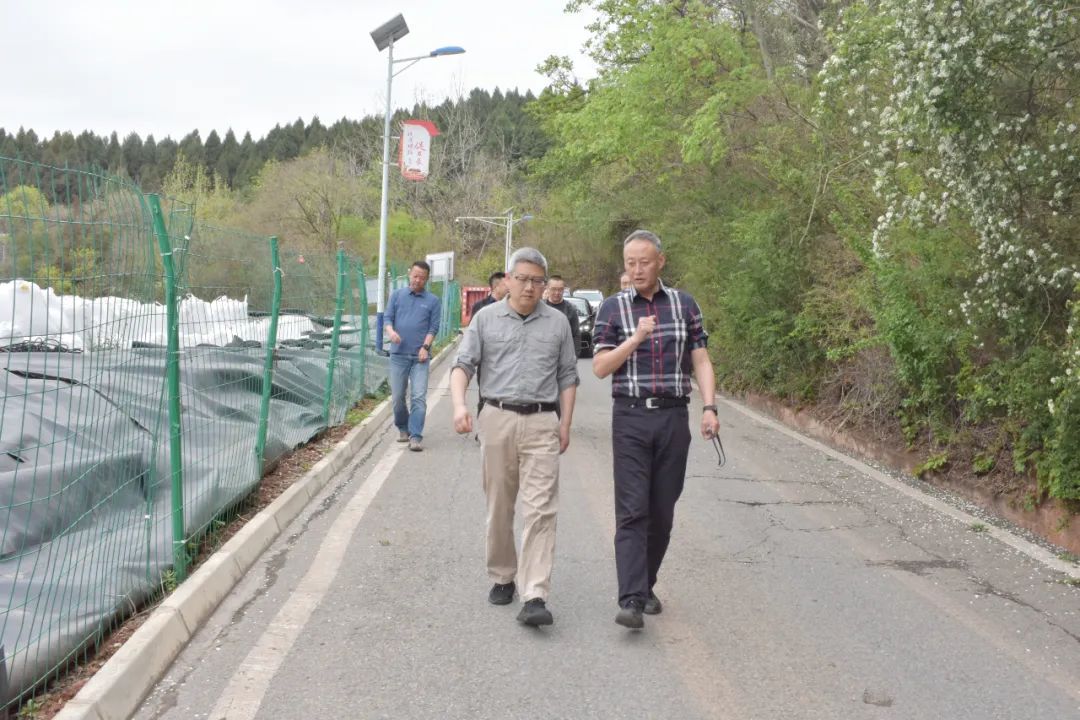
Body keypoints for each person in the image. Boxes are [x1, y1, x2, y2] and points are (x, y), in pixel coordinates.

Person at [591, 229, 720, 630]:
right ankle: (630, 598)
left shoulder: (684, 304)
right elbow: (600, 367)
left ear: (660, 261)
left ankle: (646, 584)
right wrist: (635, 338)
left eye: (644, 262)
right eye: (630, 263)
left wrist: (710, 407)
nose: (637, 270)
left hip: (673, 417)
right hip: (630, 417)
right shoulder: (612, 308)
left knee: (662, 511)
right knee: (633, 510)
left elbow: (700, 359)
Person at [451, 247, 579, 628]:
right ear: (507, 280)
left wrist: (565, 424)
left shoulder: (557, 323)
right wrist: (458, 406)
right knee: (500, 505)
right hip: (497, 418)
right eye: (522, 279)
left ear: (545, 284)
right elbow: (463, 365)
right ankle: (503, 575)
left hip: (542, 421)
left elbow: (568, 376)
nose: (529, 287)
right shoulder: (485, 319)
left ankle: (534, 593)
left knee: (542, 508)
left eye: (537, 281)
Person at [384, 260, 442, 452]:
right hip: (398, 355)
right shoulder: (397, 295)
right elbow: (387, 318)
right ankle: (403, 428)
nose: (418, 280)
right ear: (410, 274)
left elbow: (433, 327)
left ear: (427, 279)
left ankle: (415, 436)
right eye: (415, 276)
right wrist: (391, 332)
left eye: (422, 278)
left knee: (418, 397)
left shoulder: (433, 301)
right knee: (398, 397)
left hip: (420, 358)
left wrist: (425, 347)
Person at [544, 274, 581, 357]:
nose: (557, 293)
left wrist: (575, 356)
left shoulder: (571, 310)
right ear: (547, 288)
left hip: (564, 355)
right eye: (553, 289)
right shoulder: (539, 307)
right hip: (543, 356)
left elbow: (576, 335)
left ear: (564, 289)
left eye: (560, 289)